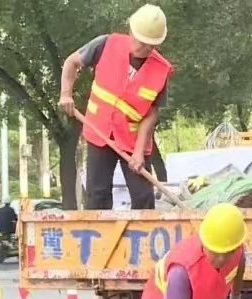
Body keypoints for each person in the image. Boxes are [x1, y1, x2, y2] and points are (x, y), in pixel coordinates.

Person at [59, 3, 172, 211]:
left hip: (132, 140)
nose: (145, 49)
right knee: (97, 194)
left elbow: (151, 114)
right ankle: (100, 240)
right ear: (131, 31)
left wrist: (138, 153)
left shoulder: (161, 70)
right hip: (99, 132)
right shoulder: (105, 45)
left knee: (143, 197)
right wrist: (66, 94)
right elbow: (71, 63)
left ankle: (142, 241)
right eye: (142, 42)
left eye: (151, 45)